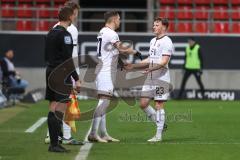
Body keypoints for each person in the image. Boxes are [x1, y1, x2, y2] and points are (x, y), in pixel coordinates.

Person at [87, 11, 142, 143]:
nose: (120, 21)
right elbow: (121, 48)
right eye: (119, 19)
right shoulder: (111, 33)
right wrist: (135, 52)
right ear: (114, 19)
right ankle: (93, 133)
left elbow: (113, 51)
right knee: (104, 101)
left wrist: (122, 63)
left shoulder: (102, 31)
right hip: (105, 71)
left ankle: (103, 133)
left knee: (104, 101)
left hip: (104, 69)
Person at [125, 17, 174, 142]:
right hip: (150, 77)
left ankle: (158, 135)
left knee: (158, 104)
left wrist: (150, 69)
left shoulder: (167, 42)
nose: (154, 27)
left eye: (157, 25)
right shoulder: (153, 41)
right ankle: (161, 125)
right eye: (154, 25)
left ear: (163, 27)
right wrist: (134, 66)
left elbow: (164, 62)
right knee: (143, 104)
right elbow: (150, 59)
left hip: (161, 78)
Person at [44, 0, 82, 146]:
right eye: (75, 14)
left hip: (51, 70)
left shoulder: (52, 29)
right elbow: (69, 57)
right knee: (64, 105)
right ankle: (64, 137)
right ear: (71, 14)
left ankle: (52, 136)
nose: (76, 17)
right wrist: (76, 78)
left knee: (53, 105)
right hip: (64, 72)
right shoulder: (69, 31)